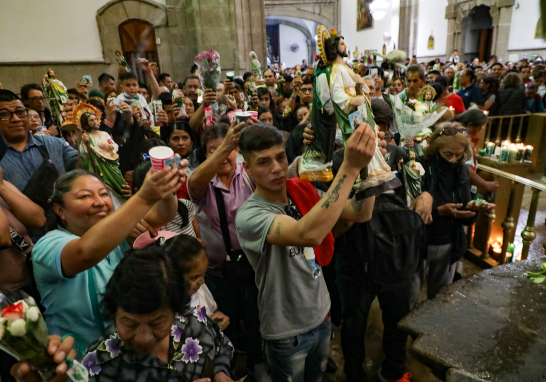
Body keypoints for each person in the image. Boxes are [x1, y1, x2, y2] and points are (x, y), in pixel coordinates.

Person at [236, 122, 376, 382]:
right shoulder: (250, 215)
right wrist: (350, 166)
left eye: (280, 157)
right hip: (287, 330)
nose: (276, 168)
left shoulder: (302, 190)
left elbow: (360, 212)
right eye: (263, 162)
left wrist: (370, 167)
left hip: (321, 314)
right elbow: (308, 234)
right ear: (247, 168)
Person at [31, 165, 182, 356]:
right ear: (60, 210)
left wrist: (167, 188)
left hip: (125, 353)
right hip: (77, 357)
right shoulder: (49, 245)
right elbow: (84, 253)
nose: (100, 202)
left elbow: (161, 215)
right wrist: (143, 197)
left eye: (104, 194)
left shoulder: (118, 232)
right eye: (85, 196)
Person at [186, 121, 269, 382]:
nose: (222, 154)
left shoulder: (248, 175)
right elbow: (193, 183)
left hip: (254, 267)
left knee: (256, 317)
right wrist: (224, 146)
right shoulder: (200, 181)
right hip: (217, 271)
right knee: (225, 321)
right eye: (213, 149)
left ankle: (257, 363)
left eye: (229, 148)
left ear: (238, 151)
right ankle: (227, 368)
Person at [78, 247, 234, 381]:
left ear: (175, 311)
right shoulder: (96, 365)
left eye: (157, 323)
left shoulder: (195, 323)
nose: (143, 338)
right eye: (130, 324)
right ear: (114, 312)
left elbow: (223, 345)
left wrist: (220, 372)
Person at [418, 122, 495, 298]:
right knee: (410, 295)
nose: (453, 160)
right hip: (420, 240)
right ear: (435, 148)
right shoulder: (420, 166)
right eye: (447, 154)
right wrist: (439, 211)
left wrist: (473, 209)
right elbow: (411, 211)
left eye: (459, 155)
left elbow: (465, 213)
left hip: (449, 241)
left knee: (439, 297)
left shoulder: (461, 170)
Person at [164, 234, 230, 330]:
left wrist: (215, 318)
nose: (202, 281)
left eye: (203, 274)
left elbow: (208, 310)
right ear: (172, 276)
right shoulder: (168, 313)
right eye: (195, 277)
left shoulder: (198, 288)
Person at [453, 109, 499, 193]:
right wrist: (486, 185)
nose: (479, 132)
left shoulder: (453, 132)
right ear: (470, 126)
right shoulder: (464, 141)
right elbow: (466, 170)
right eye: (480, 128)